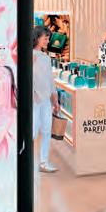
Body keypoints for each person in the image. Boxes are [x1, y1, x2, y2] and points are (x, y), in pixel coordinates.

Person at [32, 25, 60, 173]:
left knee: (47, 132)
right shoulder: (30, 56)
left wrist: (55, 101)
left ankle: (43, 162)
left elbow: (50, 81)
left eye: (48, 38)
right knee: (32, 132)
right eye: (46, 38)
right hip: (34, 100)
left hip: (46, 101)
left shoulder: (46, 58)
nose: (48, 41)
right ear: (37, 38)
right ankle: (24, 163)